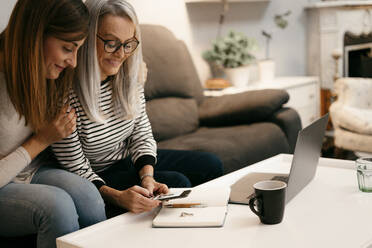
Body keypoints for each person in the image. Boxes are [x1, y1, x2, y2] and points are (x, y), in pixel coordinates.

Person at [51, 0, 223, 215]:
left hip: (128, 160)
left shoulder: (130, 77)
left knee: (211, 164)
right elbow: (75, 168)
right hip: (98, 176)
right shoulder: (64, 95)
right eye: (111, 43)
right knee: (178, 182)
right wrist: (118, 196)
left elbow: (141, 134)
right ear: (86, 38)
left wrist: (147, 176)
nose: (121, 54)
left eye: (128, 43)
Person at [0, 1, 107, 247]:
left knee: (89, 197)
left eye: (78, 49)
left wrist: (134, 72)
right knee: (57, 206)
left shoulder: (46, 72)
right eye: (68, 48)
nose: (74, 62)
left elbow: (98, 72)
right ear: (35, 35)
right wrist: (42, 140)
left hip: (30, 171)